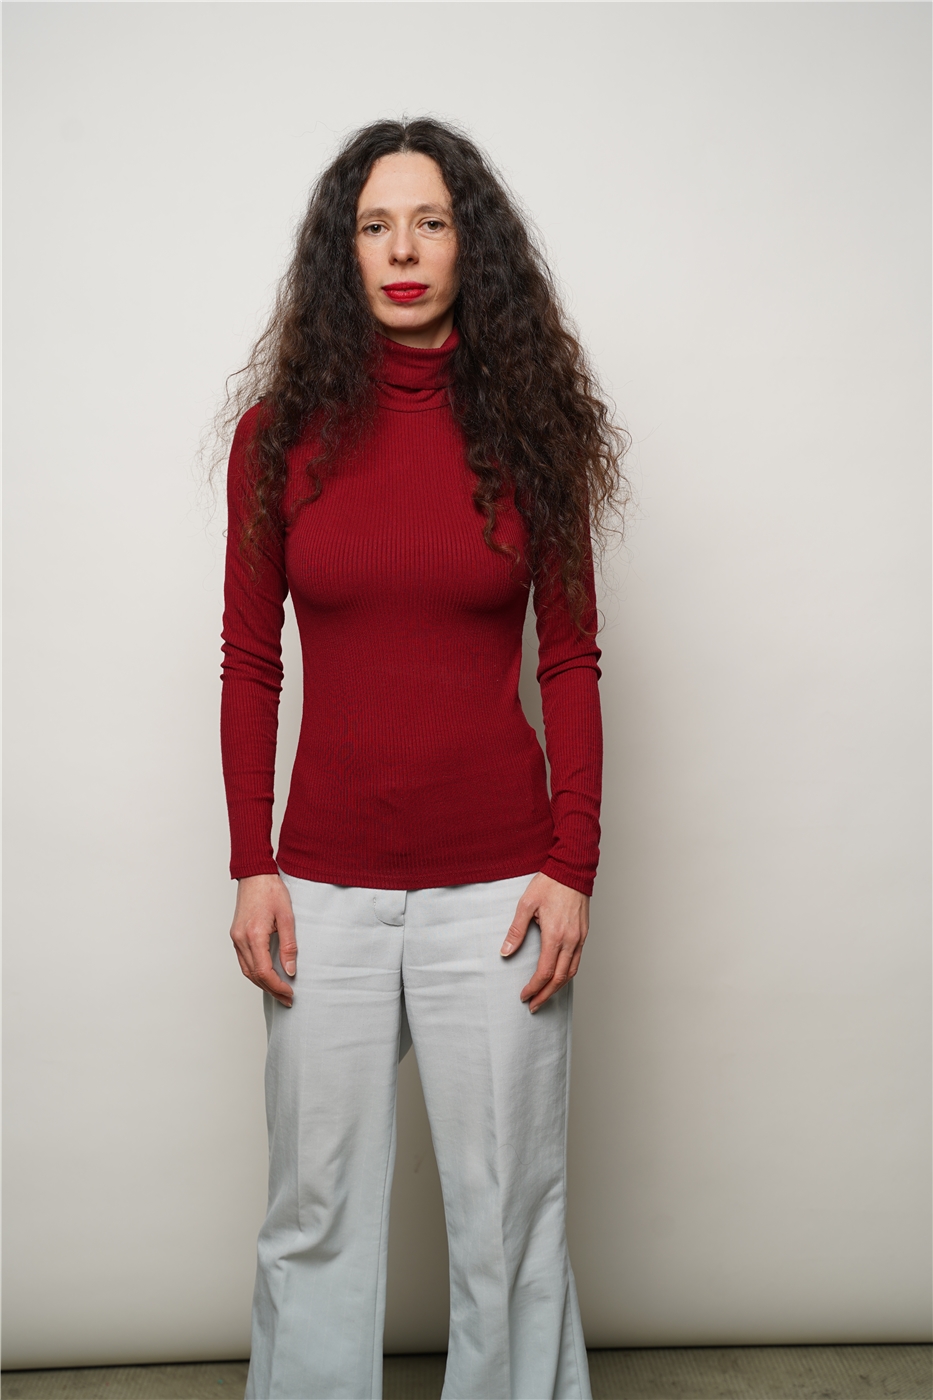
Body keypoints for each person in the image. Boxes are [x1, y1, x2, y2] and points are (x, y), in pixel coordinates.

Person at [219, 117, 627, 1400]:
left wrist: (573, 863)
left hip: (500, 886)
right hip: (321, 886)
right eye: (375, 225)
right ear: (342, 252)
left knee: (510, 1221)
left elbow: (571, 658)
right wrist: (252, 863)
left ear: (470, 247)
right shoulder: (277, 438)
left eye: (432, 222)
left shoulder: (532, 433)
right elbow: (249, 662)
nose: (403, 250)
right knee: (315, 1215)